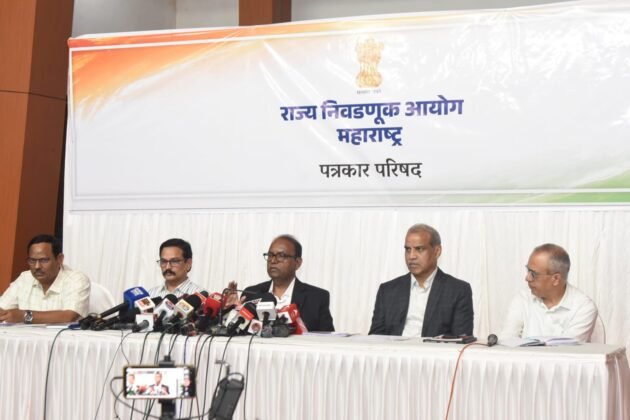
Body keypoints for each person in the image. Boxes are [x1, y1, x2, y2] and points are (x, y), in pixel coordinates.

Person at [369, 224, 474, 337]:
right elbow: (375, 339)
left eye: (419, 249)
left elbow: (460, 339)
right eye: (408, 249)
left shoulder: (458, 291)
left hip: (433, 348)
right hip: (394, 348)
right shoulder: (387, 291)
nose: (411, 256)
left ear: (437, 251)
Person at [500, 243, 598, 342]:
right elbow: (506, 341)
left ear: (556, 279)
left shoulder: (583, 307)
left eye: (533, 274)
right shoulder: (523, 298)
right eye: (528, 271)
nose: (527, 278)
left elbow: (567, 349)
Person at [239, 234, 335, 332]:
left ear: (297, 263)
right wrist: (230, 310)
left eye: (281, 256)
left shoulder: (316, 298)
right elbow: (238, 333)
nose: (273, 260)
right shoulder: (251, 294)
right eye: (270, 255)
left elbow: (328, 338)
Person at [0, 234, 90, 324]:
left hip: (63, 333)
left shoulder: (76, 280)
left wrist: (25, 316)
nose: (37, 266)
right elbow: (2, 308)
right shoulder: (25, 278)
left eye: (44, 260)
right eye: (32, 260)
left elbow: (69, 316)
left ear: (59, 259)